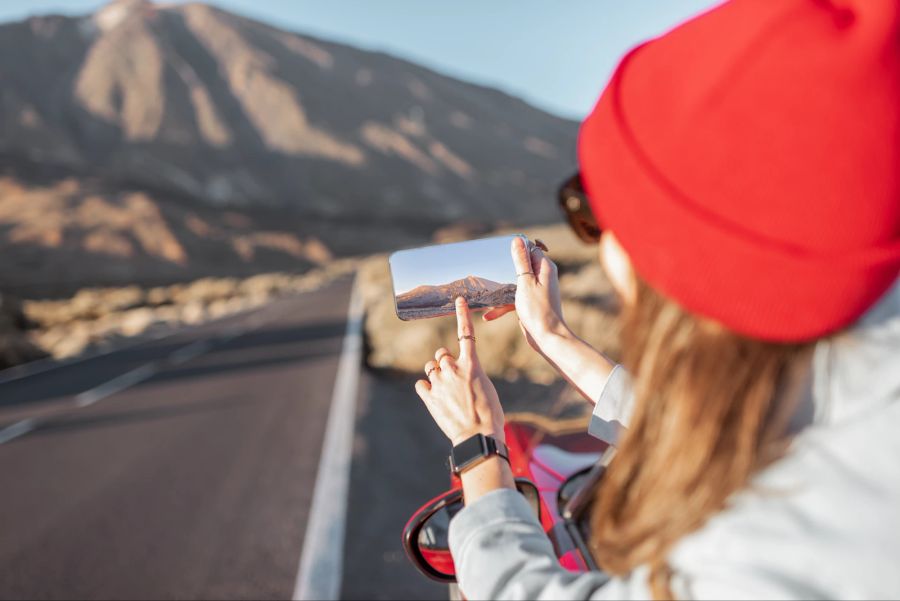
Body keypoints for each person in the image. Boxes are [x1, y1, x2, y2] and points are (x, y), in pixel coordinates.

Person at [412, 0, 900, 598]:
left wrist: (480, 450)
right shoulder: (856, 391)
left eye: (601, 212)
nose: (605, 246)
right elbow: (740, 434)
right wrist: (556, 340)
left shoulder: (781, 548)